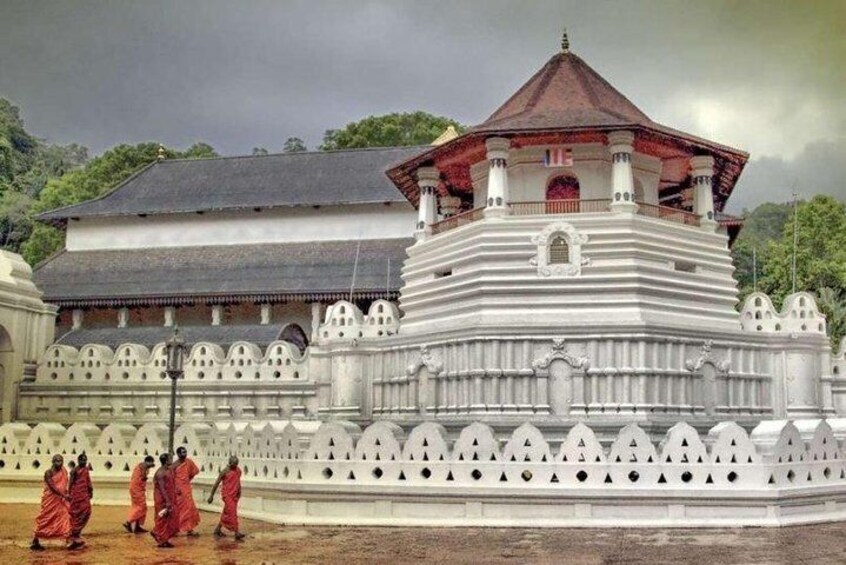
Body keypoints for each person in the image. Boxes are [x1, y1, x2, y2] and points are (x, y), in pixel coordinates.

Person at [31, 454, 78, 551]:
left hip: (61, 500)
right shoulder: (48, 473)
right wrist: (64, 495)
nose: (59, 463)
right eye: (57, 461)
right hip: (51, 500)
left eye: (61, 461)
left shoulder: (63, 471)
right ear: (52, 461)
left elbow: (65, 484)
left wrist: (66, 494)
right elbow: (52, 487)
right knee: (45, 519)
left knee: (65, 517)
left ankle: (68, 540)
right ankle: (35, 540)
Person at [207, 455, 244, 540]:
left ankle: (217, 529)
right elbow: (216, 483)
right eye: (233, 464)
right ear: (229, 463)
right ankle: (236, 532)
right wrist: (211, 496)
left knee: (227, 513)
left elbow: (238, 482)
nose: (235, 466)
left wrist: (239, 492)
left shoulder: (238, 471)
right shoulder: (224, 471)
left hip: (235, 495)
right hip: (227, 495)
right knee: (232, 513)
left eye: (236, 464)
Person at [151, 452, 179, 548]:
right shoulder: (160, 473)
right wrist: (167, 501)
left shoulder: (168, 470)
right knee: (162, 518)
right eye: (170, 458)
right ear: (166, 461)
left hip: (169, 497)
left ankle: (164, 539)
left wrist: (176, 490)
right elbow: (162, 489)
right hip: (162, 499)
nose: (172, 460)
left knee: (169, 518)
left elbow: (171, 483)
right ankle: (157, 534)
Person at [123, 455, 155, 534]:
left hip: (137, 488)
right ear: (148, 461)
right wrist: (149, 468)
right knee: (141, 506)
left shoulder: (141, 466)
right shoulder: (143, 465)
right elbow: (144, 475)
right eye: (151, 463)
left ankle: (137, 526)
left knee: (137, 506)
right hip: (137, 489)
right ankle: (128, 522)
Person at [173, 446, 201, 536]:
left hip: (186, 488)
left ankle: (190, 529)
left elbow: (194, 472)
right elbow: (170, 478)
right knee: (180, 510)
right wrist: (176, 488)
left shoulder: (189, 462)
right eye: (182, 452)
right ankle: (175, 529)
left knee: (189, 508)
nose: (184, 454)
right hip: (178, 491)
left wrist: (188, 479)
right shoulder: (175, 465)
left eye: (185, 452)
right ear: (178, 454)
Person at [68, 452, 93, 545]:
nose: (84, 461)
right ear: (78, 461)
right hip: (76, 495)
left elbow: (88, 480)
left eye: (85, 460)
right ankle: (74, 533)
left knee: (87, 512)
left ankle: (77, 531)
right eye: (82, 460)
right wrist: (69, 493)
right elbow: (70, 483)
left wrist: (91, 491)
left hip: (84, 494)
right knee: (76, 513)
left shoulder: (86, 469)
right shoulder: (74, 471)